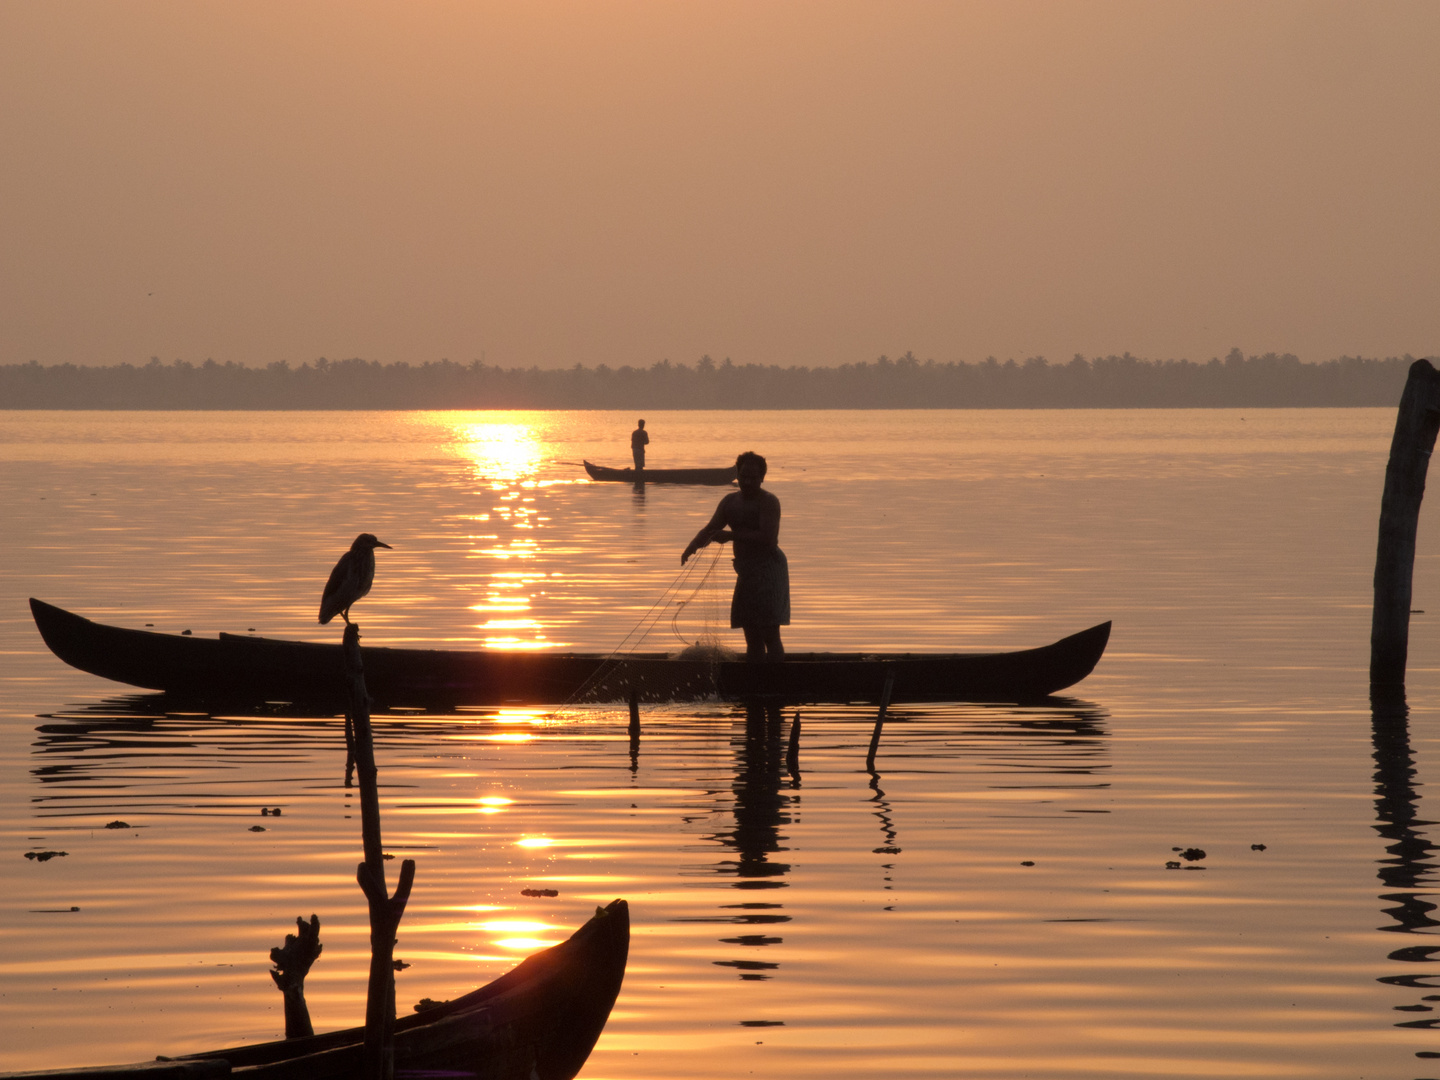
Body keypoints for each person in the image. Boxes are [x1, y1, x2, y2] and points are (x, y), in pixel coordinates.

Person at [681, 451, 789, 660]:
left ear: (762, 478)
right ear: (738, 475)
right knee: (751, 632)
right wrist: (691, 548)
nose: (747, 482)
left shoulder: (768, 502)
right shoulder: (730, 502)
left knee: (769, 633)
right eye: (743, 477)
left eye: (753, 478)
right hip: (746, 571)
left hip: (769, 569)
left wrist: (730, 536)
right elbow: (711, 529)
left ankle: (776, 681)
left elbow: (768, 538)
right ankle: (754, 681)